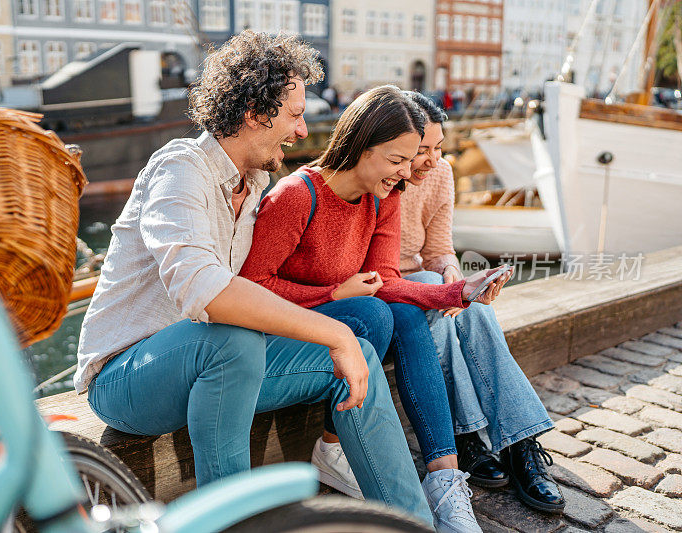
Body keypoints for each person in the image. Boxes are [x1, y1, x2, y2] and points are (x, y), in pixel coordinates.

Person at [73, 32, 434, 527]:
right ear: (252, 112)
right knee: (236, 342)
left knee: (357, 357)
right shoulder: (180, 169)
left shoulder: (255, 184)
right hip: (126, 377)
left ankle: (414, 523)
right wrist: (335, 330)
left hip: (215, 367)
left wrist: (344, 336)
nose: (303, 131)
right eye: (294, 114)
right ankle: (237, 521)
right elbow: (204, 290)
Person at [240, 85, 511, 533]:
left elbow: (386, 280)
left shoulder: (384, 197)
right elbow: (250, 288)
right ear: (362, 145)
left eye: (411, 160)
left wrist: (459, 292)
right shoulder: (294, 196)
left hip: (341, 322)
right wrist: (333, 295)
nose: (407, 173)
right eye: (398, 160)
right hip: (278, 331)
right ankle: (332, 446)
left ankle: (444, 479)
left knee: (394, 311)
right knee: (373, 314)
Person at [399, 90, 564, 514]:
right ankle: (470, 436)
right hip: (391, 292)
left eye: (439, 147)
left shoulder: (439, 174)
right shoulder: (377, 177)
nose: (434, 160)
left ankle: (515, 443)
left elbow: (438, 249)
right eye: (422, 150)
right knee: (437, 302)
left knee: (473, 305)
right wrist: (441, 284)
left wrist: (456, 277)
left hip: (425, 278)